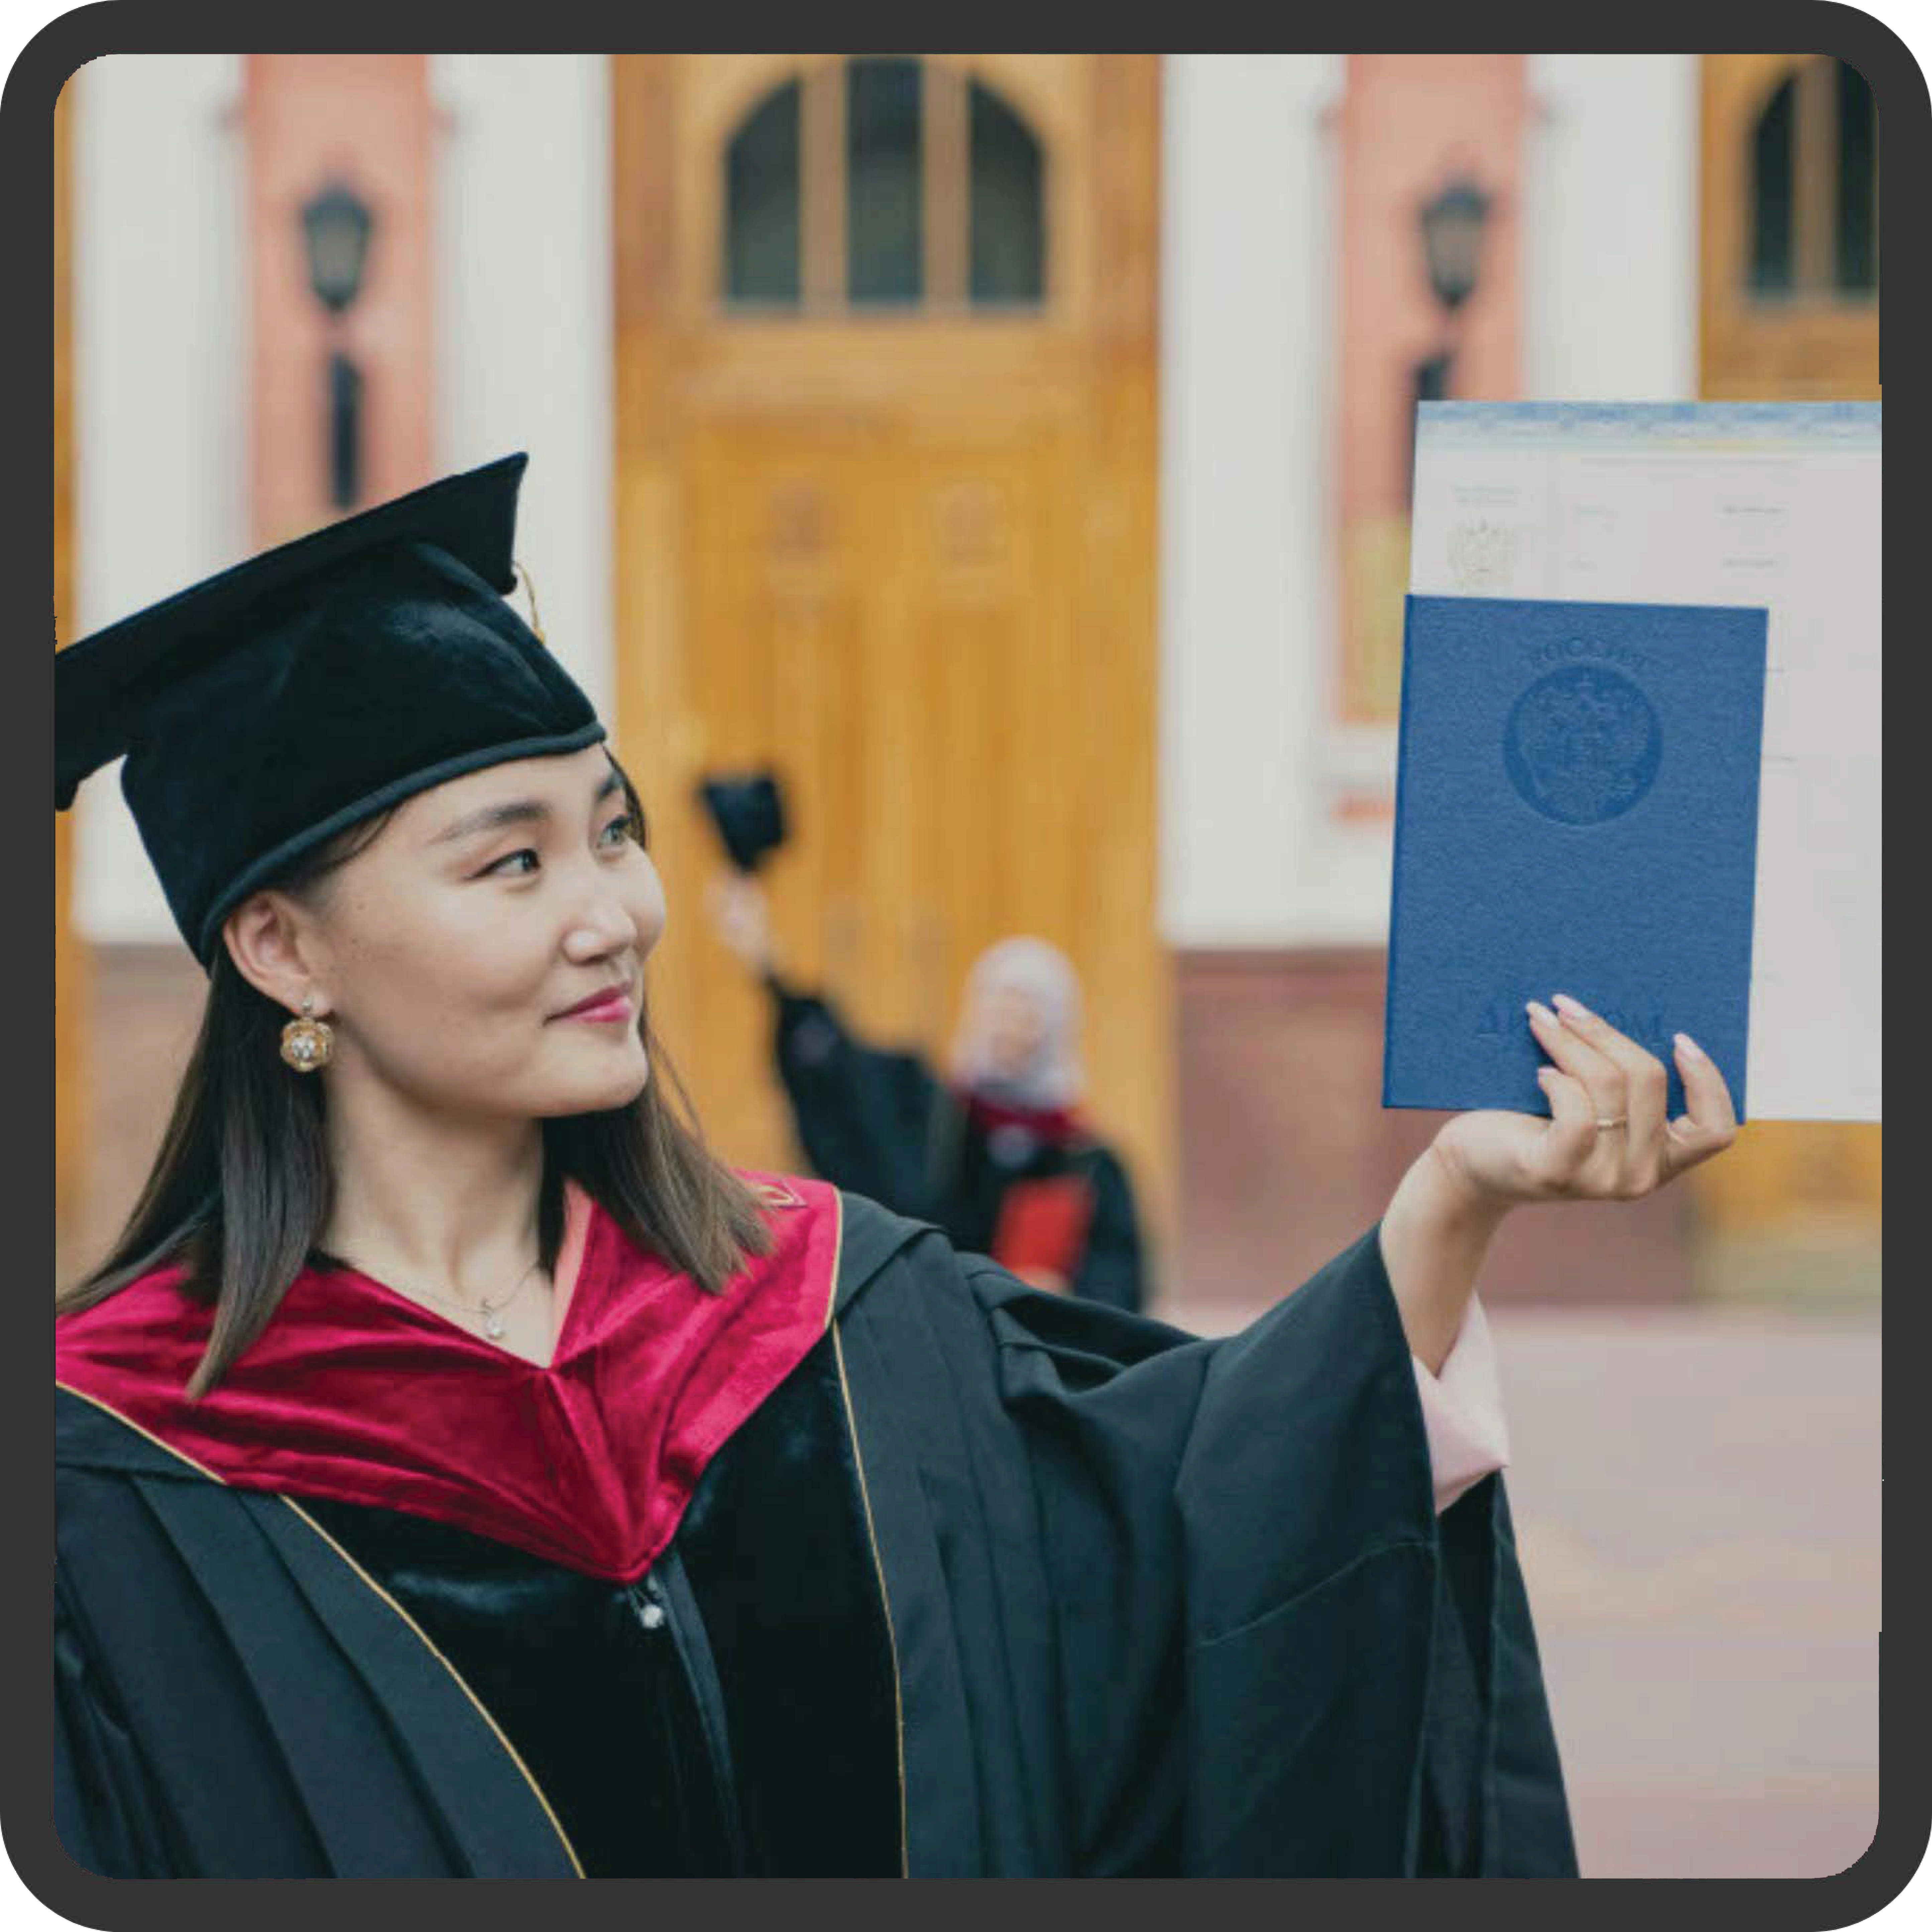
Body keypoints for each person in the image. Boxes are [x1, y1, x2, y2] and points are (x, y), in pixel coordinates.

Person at [52, 455, 1739, 1879]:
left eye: (613, 826)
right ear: (282, 947)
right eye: (512, 860)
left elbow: (1199, 1531)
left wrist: (1447, 1200)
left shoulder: (834, 1311)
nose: (612, 911)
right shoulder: (101, 1475)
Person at [709, 876, 1146, 1310]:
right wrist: (767, 964)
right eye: (1000, 1004)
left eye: (1029, 1012)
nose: (1010, 1026)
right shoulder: (932, 1118)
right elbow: (838, 1070)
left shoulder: (1083, 1162)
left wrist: (1065, 1296)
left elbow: (1119, 1283)